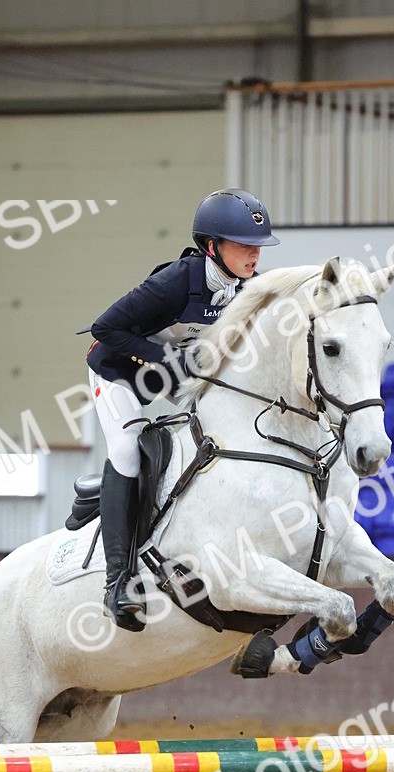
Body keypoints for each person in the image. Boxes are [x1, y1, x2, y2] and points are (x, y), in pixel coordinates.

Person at [84, 188, 279, 631]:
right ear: (212, 247)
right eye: (244, 244)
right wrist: (169, 361)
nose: (254, 254)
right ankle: (118, 583)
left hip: (176, 374)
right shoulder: (174, 281)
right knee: (128, 448)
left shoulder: (243, 287)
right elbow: (105, 328)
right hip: (119, 372)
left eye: (258, 246)